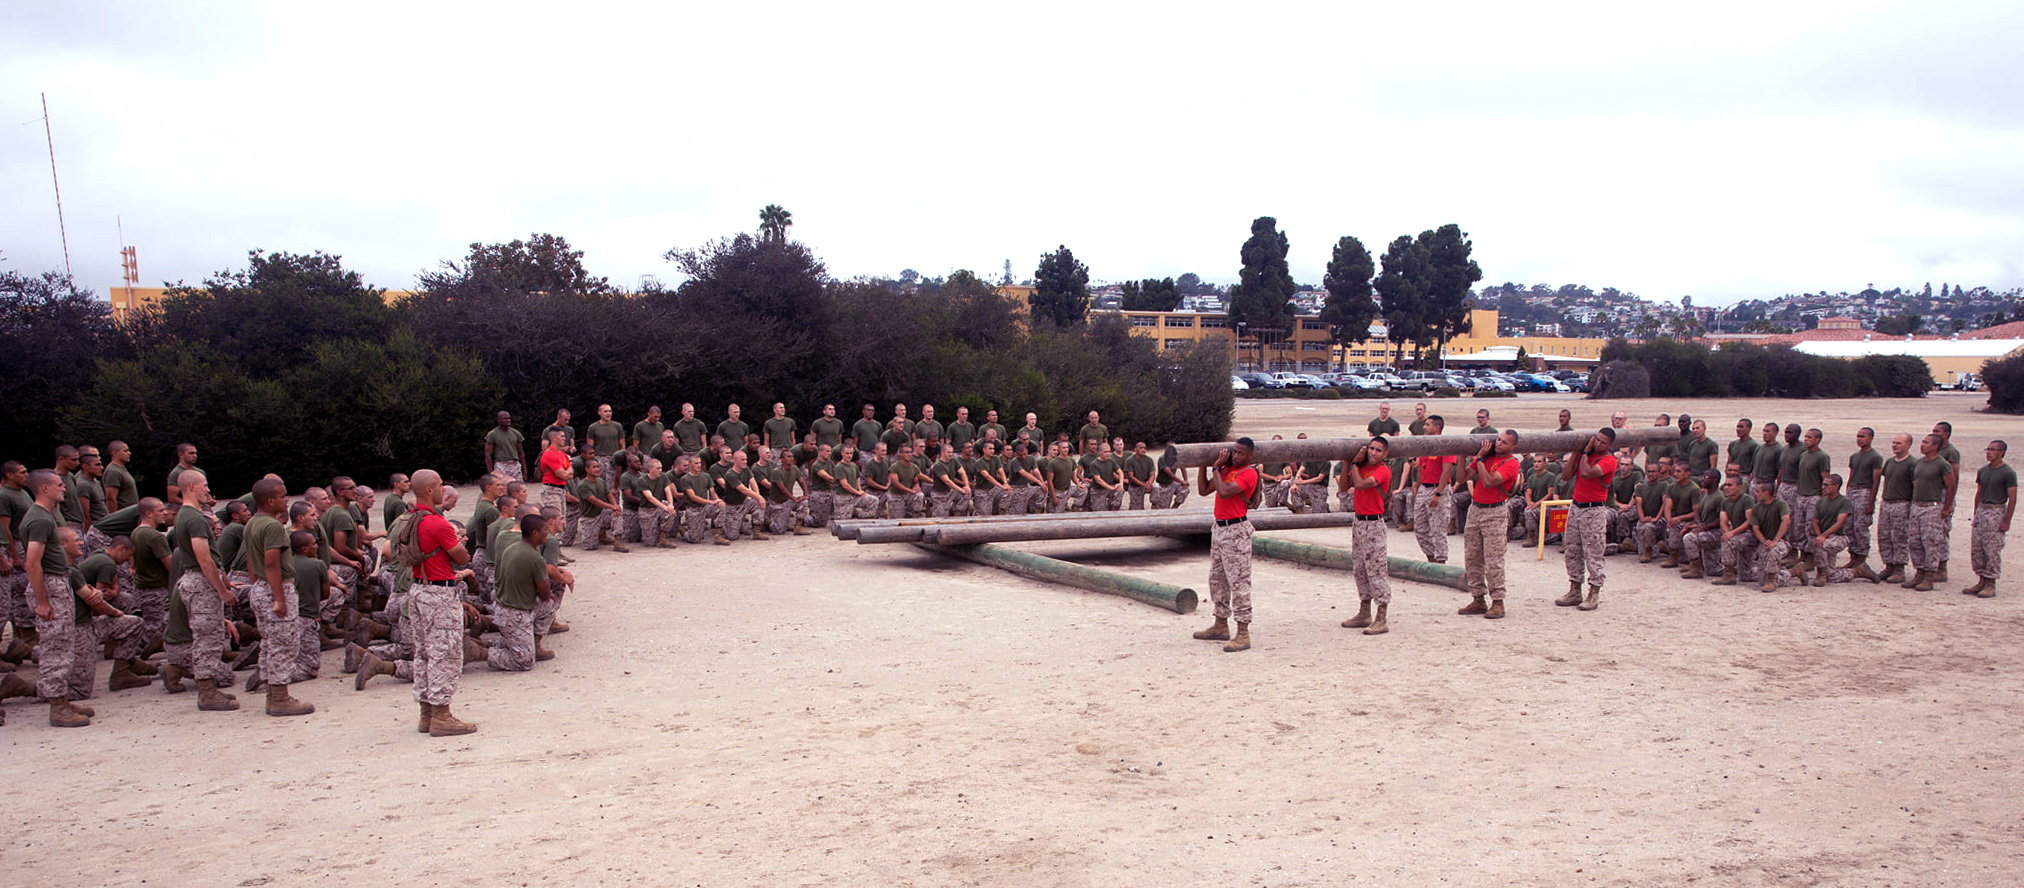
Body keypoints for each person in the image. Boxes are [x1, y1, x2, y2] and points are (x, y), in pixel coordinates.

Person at [405, 469, 479, 736]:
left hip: (418, 588)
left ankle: (426, 713)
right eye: (438, 485)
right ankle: (441, 714)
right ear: (429, 491)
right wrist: (459, 546)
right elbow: (461, 558)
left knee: (424, 653)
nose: (442, 489)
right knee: (445, 653)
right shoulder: (437, 523)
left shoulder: (411, 518)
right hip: (439, 592)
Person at [1193, 438, 1258, 652]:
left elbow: (1224, 491)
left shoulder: (1249, 473)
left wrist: (1215, 468)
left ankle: (1243, 632)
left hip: (1236, 530)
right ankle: (1220, 624)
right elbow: (1203, 490)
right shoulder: (1226, 470)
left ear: (1250, 456)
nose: (1236, 456)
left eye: (1241, 453)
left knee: (1238, 581)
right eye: (1235, 452)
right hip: (1220, 529)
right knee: (1218, 579)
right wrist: (1204, 465)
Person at [1336, 437, 1395, 633]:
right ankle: (1364, 611)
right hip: (1359, 521)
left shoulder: (1383, 470)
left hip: (1374, 523)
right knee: (1360, 567)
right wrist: (1347, 464)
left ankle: (1381, 616)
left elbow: (1360, 485)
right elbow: (1344, 486)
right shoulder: (1360, 467)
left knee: (1376, 568)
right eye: (1371, 448)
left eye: (1378, 450)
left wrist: (1354, 463)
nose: (1373, 452)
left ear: (1385, 454)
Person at [1459, 430, 1520, 620]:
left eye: (1504, 442)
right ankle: (1478, 598)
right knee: (1472, 556)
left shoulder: (1511, 463)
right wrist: (1461, 456)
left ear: (1513, 447)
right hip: (1476, 509)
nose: (1499, 443)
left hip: (1494, 512)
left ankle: (1498, 601)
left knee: (1493, 558)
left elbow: (1488, 481)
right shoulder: (1487, 458)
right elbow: (1462, 477)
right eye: (1498, 440)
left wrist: (1479, 459)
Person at [1557, 427, 1617, 611]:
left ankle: (1594, 592)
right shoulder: (1585, 456)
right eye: (1597, 440)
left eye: (1603, 442)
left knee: (1593, 552)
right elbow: (1566, 476)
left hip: (1594, 509)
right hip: (1576, 506)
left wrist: (1584, 452)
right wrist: (1576, 452)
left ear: (1610, 445)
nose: (1598, 444)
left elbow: (1587, 473)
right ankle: (1575, 589)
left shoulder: (1609, 460)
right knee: (1572, 549)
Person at [1903, 433, 1957, 591]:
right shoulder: (1918, 463)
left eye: (1926, 443)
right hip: (1916, 506)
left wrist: (1946, 507)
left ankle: (1930, 575)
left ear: (1935, 446)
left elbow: (1951, 487)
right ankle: (1919, 572)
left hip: (1931, 507)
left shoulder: (1942, 464)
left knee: (1931, 542)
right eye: (1922, 442)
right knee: (1914, 541)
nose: (1922, 445)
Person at [1964, 441, 2017, 598]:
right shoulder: (1983, 471)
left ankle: (1990, 582)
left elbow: (2012, 498)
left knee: (1992, 548)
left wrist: (2007, 521)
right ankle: (1981, 580)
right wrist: (1976, 513)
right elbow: (1979, 492)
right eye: (1987, 449)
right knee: (1978, 548)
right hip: (1982, 511)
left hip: (1996, 511)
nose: (1988, 452)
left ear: (2002, 452)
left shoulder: (2008, 473)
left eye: (1992, 450)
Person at [1803, 474, 1858, 586]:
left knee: (1820, 546)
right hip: (1825, 537)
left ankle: (1821, 573)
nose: (1823, 487)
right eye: (1823, 484)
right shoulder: (1820, 502)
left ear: (1836, 486)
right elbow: (1815, 521)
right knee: (1831, 576)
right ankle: (1857, 572)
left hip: (1838, 537)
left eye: (1826, 485)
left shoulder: (1844, 501)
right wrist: (1820, 535)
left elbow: (1840, 522)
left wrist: (1823, 536)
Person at [1412, 416, 1454, 564]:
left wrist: (1438, 493)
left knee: (1438, 528)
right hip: (1424, 487)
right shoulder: (1426, 446)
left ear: (1437, 428)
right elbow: (1421, 469)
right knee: (1420, 527)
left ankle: (1441, 560)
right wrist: (1417, 488)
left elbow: (1447, 470)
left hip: (1438, 488)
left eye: (1427, 424)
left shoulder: (1444, 445)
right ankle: (1431, 557)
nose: (1424, 427)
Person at [1876, 433, 1915, 584]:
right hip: (1887, 502)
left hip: (1902, 503)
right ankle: (1889, 565)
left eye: (1898, 443)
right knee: (1884, 535)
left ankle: (1899, 568)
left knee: (1899, 537)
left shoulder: (1912, 463)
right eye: (1893, 442)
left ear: (1908, 445)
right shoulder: (1890, 462)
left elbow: (1914, 485)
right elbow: (1885, 480)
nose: (1895, 445)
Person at [1742, 478, 1793, 592]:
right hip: (1764, 542)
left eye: (1758, 491)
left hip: (1780, 542)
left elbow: (1786, 521)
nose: (1755, 494)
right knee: (1761, 580)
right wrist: (1764, 541)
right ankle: (1792, 572)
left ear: (1766, 492)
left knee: (1772, 550)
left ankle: (1771, 580)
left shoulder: (1780, 504)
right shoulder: (1756, 508)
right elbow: (1756, 528)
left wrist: (1775, 541)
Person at [483, 412, 526, 481]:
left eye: (509, 418)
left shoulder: (516, 433)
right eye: (505, 419)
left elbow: (521, 453)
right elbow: (488, 455)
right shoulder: (492, 435)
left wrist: (524, 471)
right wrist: (491, 473)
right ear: (499, 420)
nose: (508, 420)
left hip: (515, 464)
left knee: (518, 487)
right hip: (501, 465)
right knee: (502, 488)